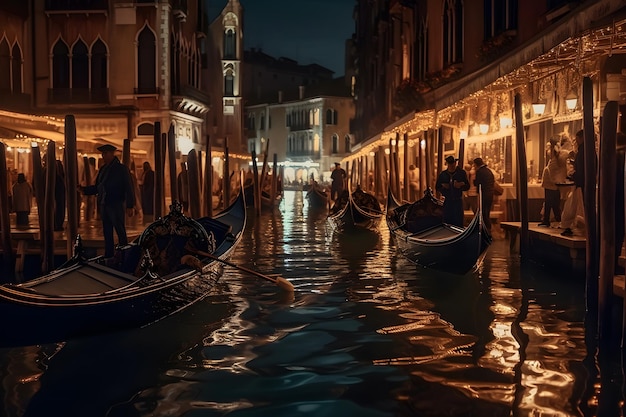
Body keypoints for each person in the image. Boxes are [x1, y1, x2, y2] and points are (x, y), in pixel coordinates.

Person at [81, 144, 135, 258]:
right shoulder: (103, 169)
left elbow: (129, 187)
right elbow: (98, 187)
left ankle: (124, 254)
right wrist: (84, 190)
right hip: (105, 204)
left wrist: (130, 205)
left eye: (105, 153)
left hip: (116, 203)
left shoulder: (121, 169)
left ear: (112, 154)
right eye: (102, 154)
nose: (103, 156)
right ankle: (109, 254)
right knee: (107, 232)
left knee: (120, 230)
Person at [561, 130, 586, 236]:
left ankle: (572, 226)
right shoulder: (586, 151)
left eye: (577, 139)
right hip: (582, 183)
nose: (576, 142)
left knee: (575, 207)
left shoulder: (582, 152)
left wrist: (573, 175)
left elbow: (581, 169)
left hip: (580, 184)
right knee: (576, 206)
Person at [539, 137, 567, 226]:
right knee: (553, 203)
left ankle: (549, 219)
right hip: (552, 182)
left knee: (550, 202)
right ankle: (555, 219)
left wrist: (553, 179)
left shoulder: (556, 157)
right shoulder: (557, 158)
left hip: (551, 183)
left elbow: (553, 170)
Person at [435, 155, 469, 227]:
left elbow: (467, 186)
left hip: (457, 200)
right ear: (447, 164)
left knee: (458, 219)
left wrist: (460, 185)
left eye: (453, 163)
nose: (452, 165)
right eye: (450, 164)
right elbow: (437, 187)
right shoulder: (443, 174)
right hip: (447, 200)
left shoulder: (461, 173)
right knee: (447, 219)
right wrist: (443, 187)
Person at [473, 157, 495, 231]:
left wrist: (474, 181)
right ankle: (488, 228)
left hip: (484, 193)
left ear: (476, 165)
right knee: (487, 211)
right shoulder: (488, 171)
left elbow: (477, 183)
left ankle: (486, 228)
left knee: (483, 212)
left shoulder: (479, 171)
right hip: (490, 193)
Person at [54, 160, 66, 231]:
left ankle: (57, 224)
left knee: (59, 209)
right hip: (59, 198)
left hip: (58, 197)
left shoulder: (59, 178)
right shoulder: (60, 178)